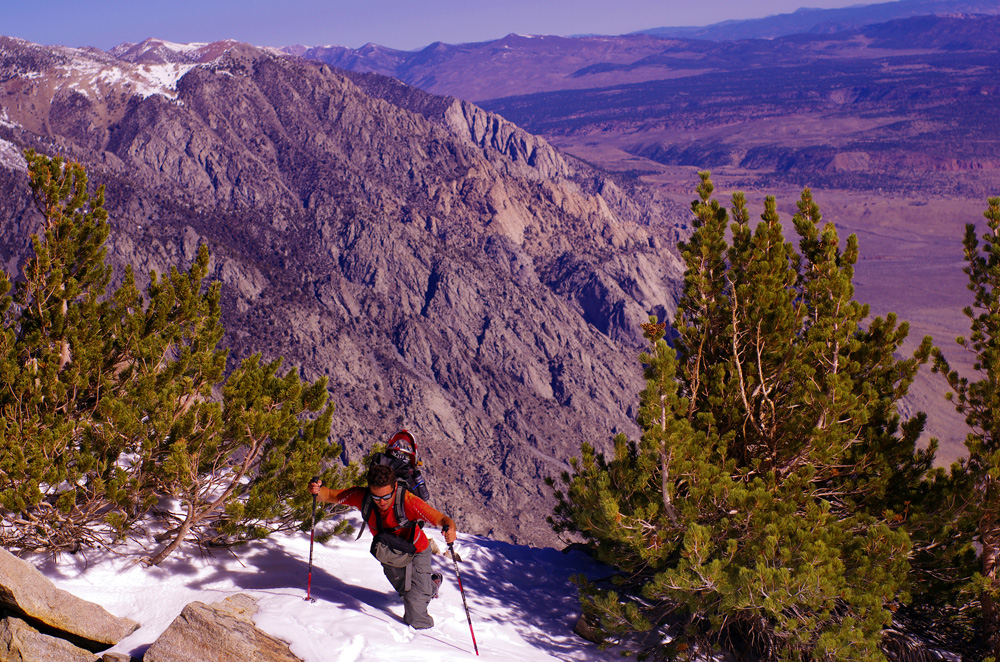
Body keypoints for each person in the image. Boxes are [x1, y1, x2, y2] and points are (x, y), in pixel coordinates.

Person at [308, 463, 457, 629]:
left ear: (395, 487)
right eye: (376, 497)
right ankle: (432, 584)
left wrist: (450, 529)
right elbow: (329, 495)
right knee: (406, 592)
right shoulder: (362, 497)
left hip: (416, 552)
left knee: (415, 612)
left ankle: (424, 636)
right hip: (389, 554)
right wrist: (316, 490)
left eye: (386, 496)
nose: (382, 502)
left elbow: (442, 519)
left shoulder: (408, 501)